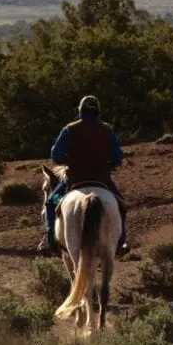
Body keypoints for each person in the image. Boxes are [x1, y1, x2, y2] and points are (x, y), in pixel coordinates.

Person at [40, 95, 128, 256]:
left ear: (80, 111)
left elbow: (56, 155)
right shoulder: (106, 129)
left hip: (74, 179)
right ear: (98, 112)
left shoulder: (70, 129)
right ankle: (122, 241)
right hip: (102, 179)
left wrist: (71, 161)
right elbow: (117, 156)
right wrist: (108, 164)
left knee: (51, 205)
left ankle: (50, 241)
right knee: (121, 205)